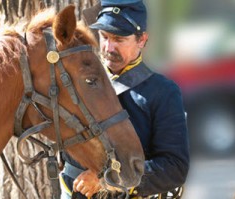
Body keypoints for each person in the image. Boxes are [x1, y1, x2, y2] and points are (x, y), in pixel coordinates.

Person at [59, 0, 190, 198]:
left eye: (119, 40)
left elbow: (174, 167)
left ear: (142, 40)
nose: (108, 47)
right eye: (104, 37)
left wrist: (107, 181)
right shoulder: (77, 81)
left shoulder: (164, 92)